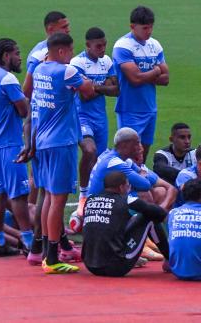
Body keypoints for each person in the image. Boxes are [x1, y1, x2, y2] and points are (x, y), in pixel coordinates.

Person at [32, 32, 94, 274]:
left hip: (43, 141)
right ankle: (51, 258)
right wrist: (85, 78)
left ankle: (50, 252)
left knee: (48, 197)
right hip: (61, 142)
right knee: (57, 200)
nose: (72, 56)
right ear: (61, 51)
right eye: (70, 51)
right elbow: (88, 89)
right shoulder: (65, 71)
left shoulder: (39, 70)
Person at [21, 11, 70, 264]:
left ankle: (44, 248)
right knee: (50, 194)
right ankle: (44, 250)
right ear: (51, 30)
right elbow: (26, 91)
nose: (69, 29)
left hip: (39, 132)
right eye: (64, 26)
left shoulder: (41, 57)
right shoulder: (44, 57)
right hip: (52, 133)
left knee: (47, 192)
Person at [88, 127, 177, 261]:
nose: (140, 147)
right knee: (148, 210)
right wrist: (159, 213)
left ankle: (140, 242)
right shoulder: (116, 162)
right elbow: (145, 185)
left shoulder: (121, 159)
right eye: (136, 143)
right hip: (109, 215)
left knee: (157, 193)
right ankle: (170, 259)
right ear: (124, 145)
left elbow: (158, 183)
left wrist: (141, 176)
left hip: (98, 211)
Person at [0, 38, 33, 257]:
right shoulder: (8, 78)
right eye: (17, 53)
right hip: (9, 144)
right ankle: (31, 242)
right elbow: (24, 111)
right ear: (6, 55)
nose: (20, 57)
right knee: (19, 195)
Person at [70, 27, 119, 217]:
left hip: (100, 118)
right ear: (88, 45)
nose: (103, 48)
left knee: (99, 160)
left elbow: (116, 90)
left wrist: (94, 86)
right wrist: (102, 86)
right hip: (82, 116)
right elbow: (85, 95)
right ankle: (83, 196)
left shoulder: (106, 61)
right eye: (99, 45)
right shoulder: (78, 63)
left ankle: (95, 198)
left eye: (105, 44)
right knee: (89, 151)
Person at [81, 171, 170, 277]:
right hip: (116, 266)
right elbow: (157, 211)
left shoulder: (90, 199)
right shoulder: (127, 200)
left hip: (90, 264)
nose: (129, 188)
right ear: (121, 187)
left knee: (123, 220)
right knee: (149, 217)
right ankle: (170, 260)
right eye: (128, 185)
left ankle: (117, 253)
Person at [113, 6, 169, 164]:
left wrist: (149, 74)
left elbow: (166, 79)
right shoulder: (123, 46)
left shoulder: (154, 45)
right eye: (145, 28)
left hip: (150, 108)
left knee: (142, 154)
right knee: (127, 154)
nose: (149, 31)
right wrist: (156, 70)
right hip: (130, 109)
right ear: (132, 26)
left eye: (151, 27)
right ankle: (123, 187)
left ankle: (137, 187)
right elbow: (135, 79)